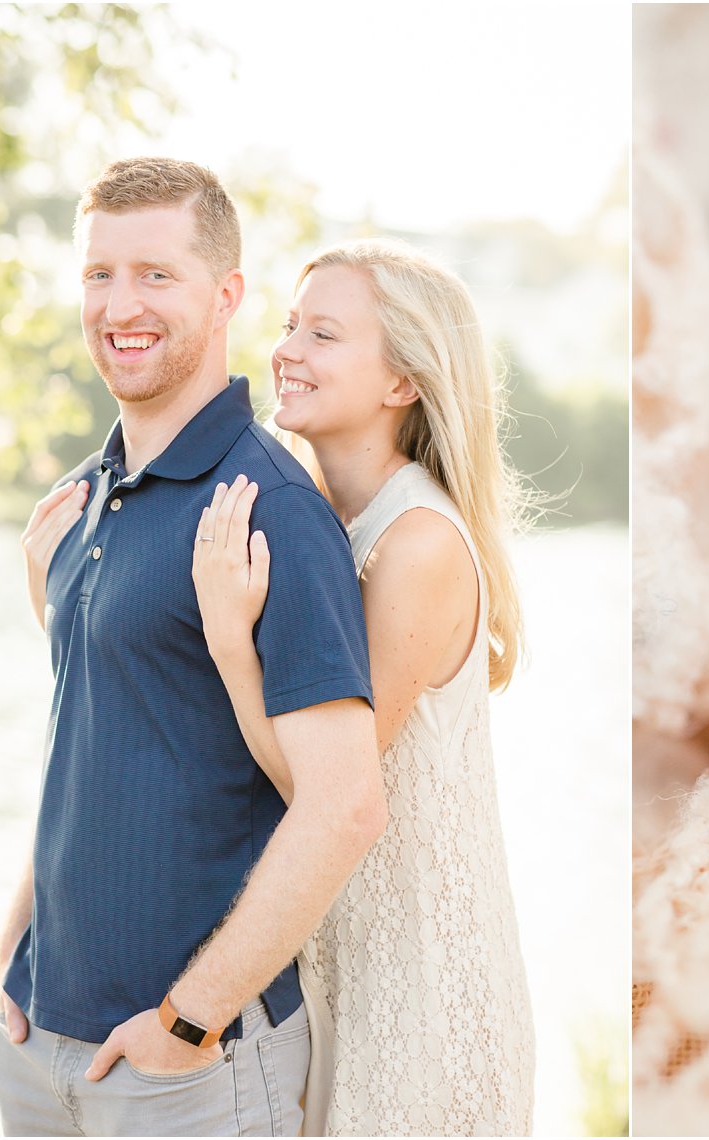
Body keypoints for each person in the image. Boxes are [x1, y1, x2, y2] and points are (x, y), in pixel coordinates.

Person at [0, 157, 383, 1137]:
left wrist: (190, 1019)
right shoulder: (84, 500)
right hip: (42, 1049)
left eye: (155, 275)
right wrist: (16, 954)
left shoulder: (271, 513)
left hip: (189, 1073)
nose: (120, 305)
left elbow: (343, 804)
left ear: (226, 298)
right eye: (99, 275)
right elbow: (87, 750)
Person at [189, 238, 536, 1135]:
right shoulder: (321, 524)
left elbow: (322, 790)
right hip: (335, 977)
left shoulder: (415, 542)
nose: (287, 351)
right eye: (292, 325)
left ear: (402, 384)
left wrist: (233, 641)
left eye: (325, 335)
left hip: (422, 995)